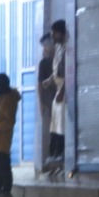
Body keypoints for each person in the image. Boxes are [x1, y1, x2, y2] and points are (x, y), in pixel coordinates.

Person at [42, 20, 70, 176]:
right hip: (59, 90)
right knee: (55, 126)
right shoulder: (59, 49)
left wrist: (63, 91)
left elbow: (68, 72)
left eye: (54, 32)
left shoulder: (67, 49)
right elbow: (57, 71)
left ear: (61, 32)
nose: (52, 35)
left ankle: (61, 155)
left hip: (64, 92)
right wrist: (49, 80)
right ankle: (54, 156)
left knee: (61, 126)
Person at [35, 31, 57, 176]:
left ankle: (58, 157)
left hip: (60, 98)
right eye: (43, 46)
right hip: (49, 100)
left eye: (46, 46)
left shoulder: (60, 59)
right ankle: (53, 156)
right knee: (53, 129)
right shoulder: (44, 63)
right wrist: (41, 102)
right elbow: (40, 84)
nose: (44, 49)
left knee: (60, 129)